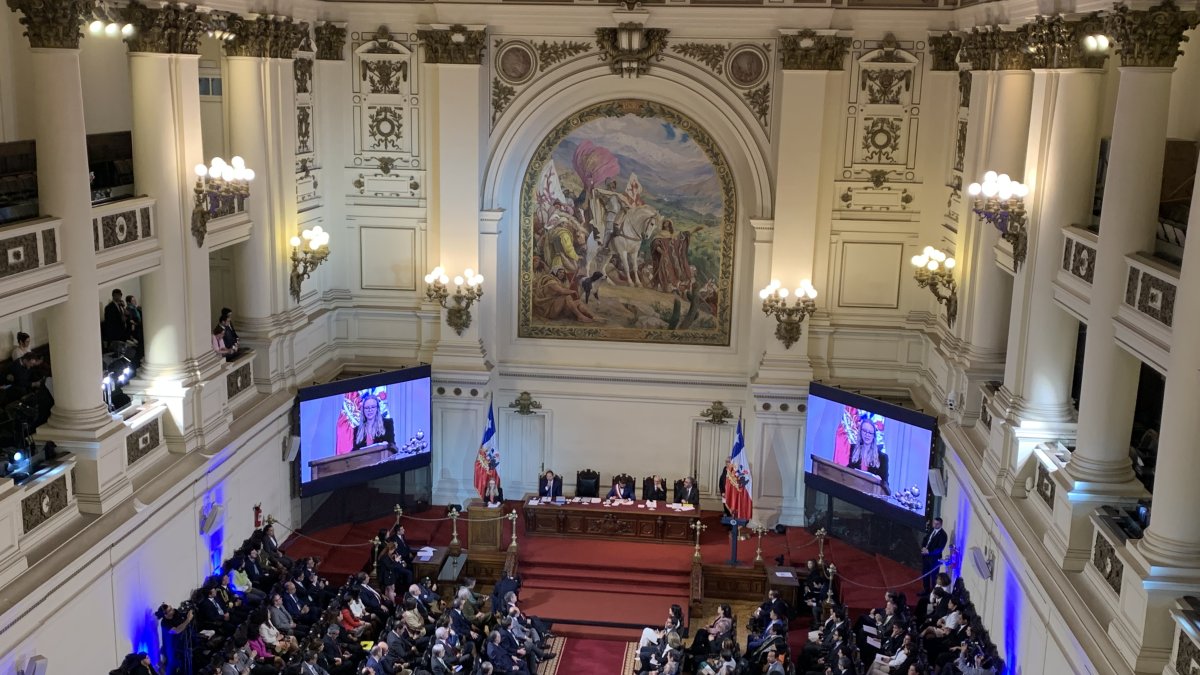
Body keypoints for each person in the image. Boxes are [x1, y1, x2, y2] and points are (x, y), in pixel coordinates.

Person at [843, 414, 889, 494]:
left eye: (870, 433)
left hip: (870, 493)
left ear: (874, 436)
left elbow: (886, 485)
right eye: (864, 431)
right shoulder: (853, 448)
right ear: (860, 432)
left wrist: (880, 481)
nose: (867, 435)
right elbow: (848, 470)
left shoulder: (882, 457)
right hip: (852, 489)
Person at [920, 518, 947, 594]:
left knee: (934, 577)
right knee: (925, 574)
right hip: (926, 557)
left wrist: (928, 551)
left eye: (937, 524)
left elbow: (939, 549)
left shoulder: (943, 535)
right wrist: (923, 547)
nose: (935, 525)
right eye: (934, 523)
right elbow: (926, 539)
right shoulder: (932, 529)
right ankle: (926, 590)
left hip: (934, 560)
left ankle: (934, 593)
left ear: (941, 524)